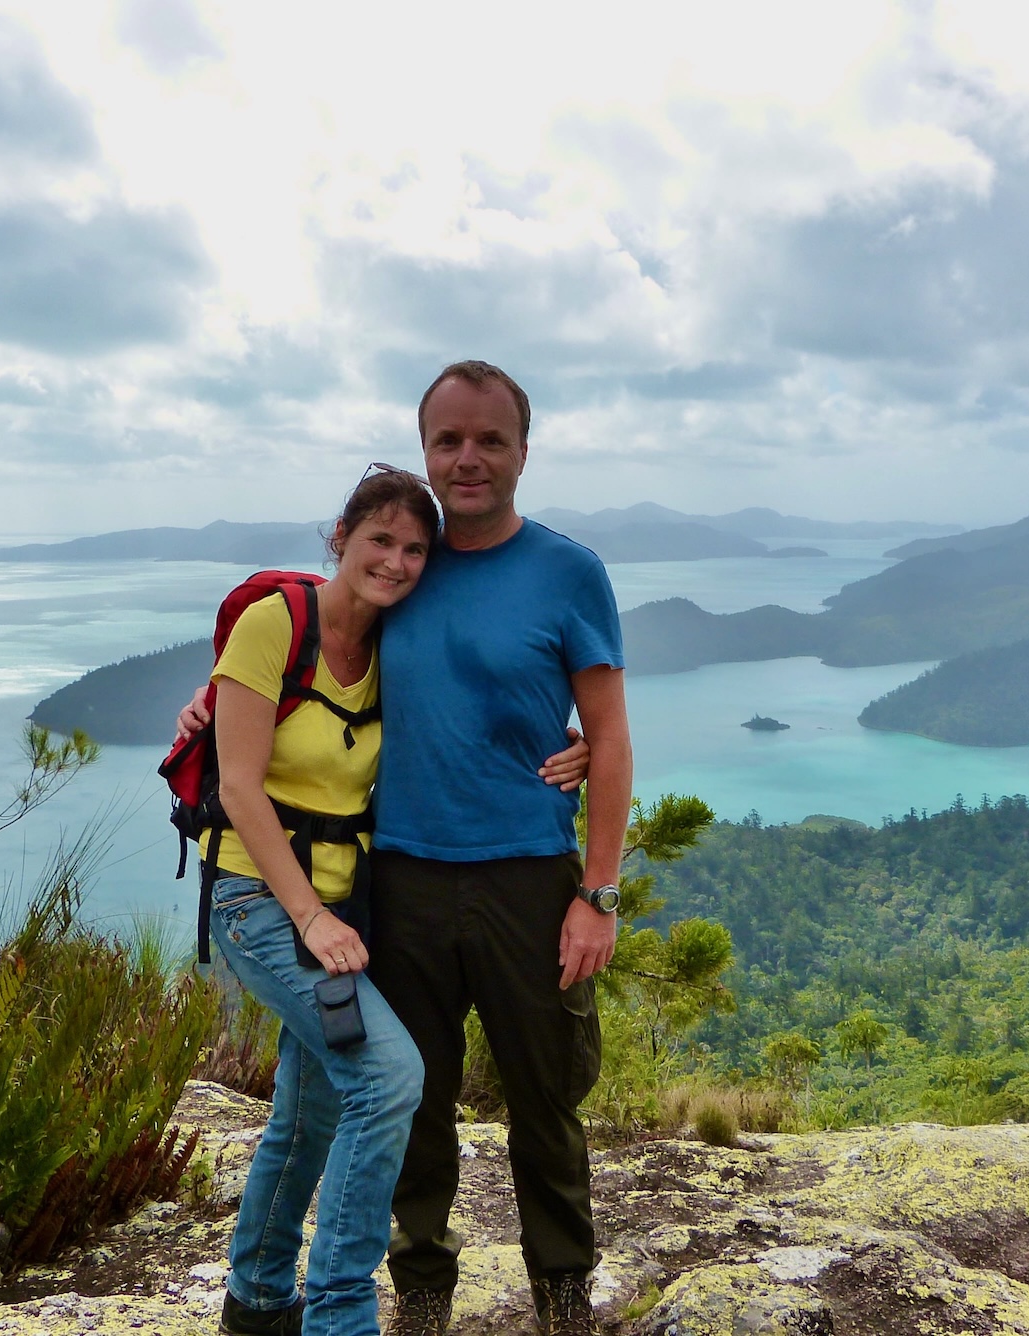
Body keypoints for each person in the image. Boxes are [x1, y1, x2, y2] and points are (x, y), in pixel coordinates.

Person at [188, 466, 593, 1336]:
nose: (399, 561)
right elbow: (241, 790)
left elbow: (462, 711)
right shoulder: (274, 624)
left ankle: (256, 1298)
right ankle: (339, 1313)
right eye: (380, 541)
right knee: (388, 1074)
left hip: (344, 910)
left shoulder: (386, 646)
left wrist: (569, 741)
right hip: (264, 907)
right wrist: (311, 917)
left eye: (415, 548)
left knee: (310, 1108)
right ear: (342, 538)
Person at [368, 361, 633, 1336]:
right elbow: (307, 641)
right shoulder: (399, 558)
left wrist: (595, 894)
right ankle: (423, 1289)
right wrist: (215, 699)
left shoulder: (567, 571)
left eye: (489, 439)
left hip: (527, 875)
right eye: (448, 439)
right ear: (425, 448)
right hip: (400, 877)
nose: (467, 458)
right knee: (411, 1101)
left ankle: (562, 1287)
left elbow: (605, 737)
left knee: (545, 1094)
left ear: (523, 450)